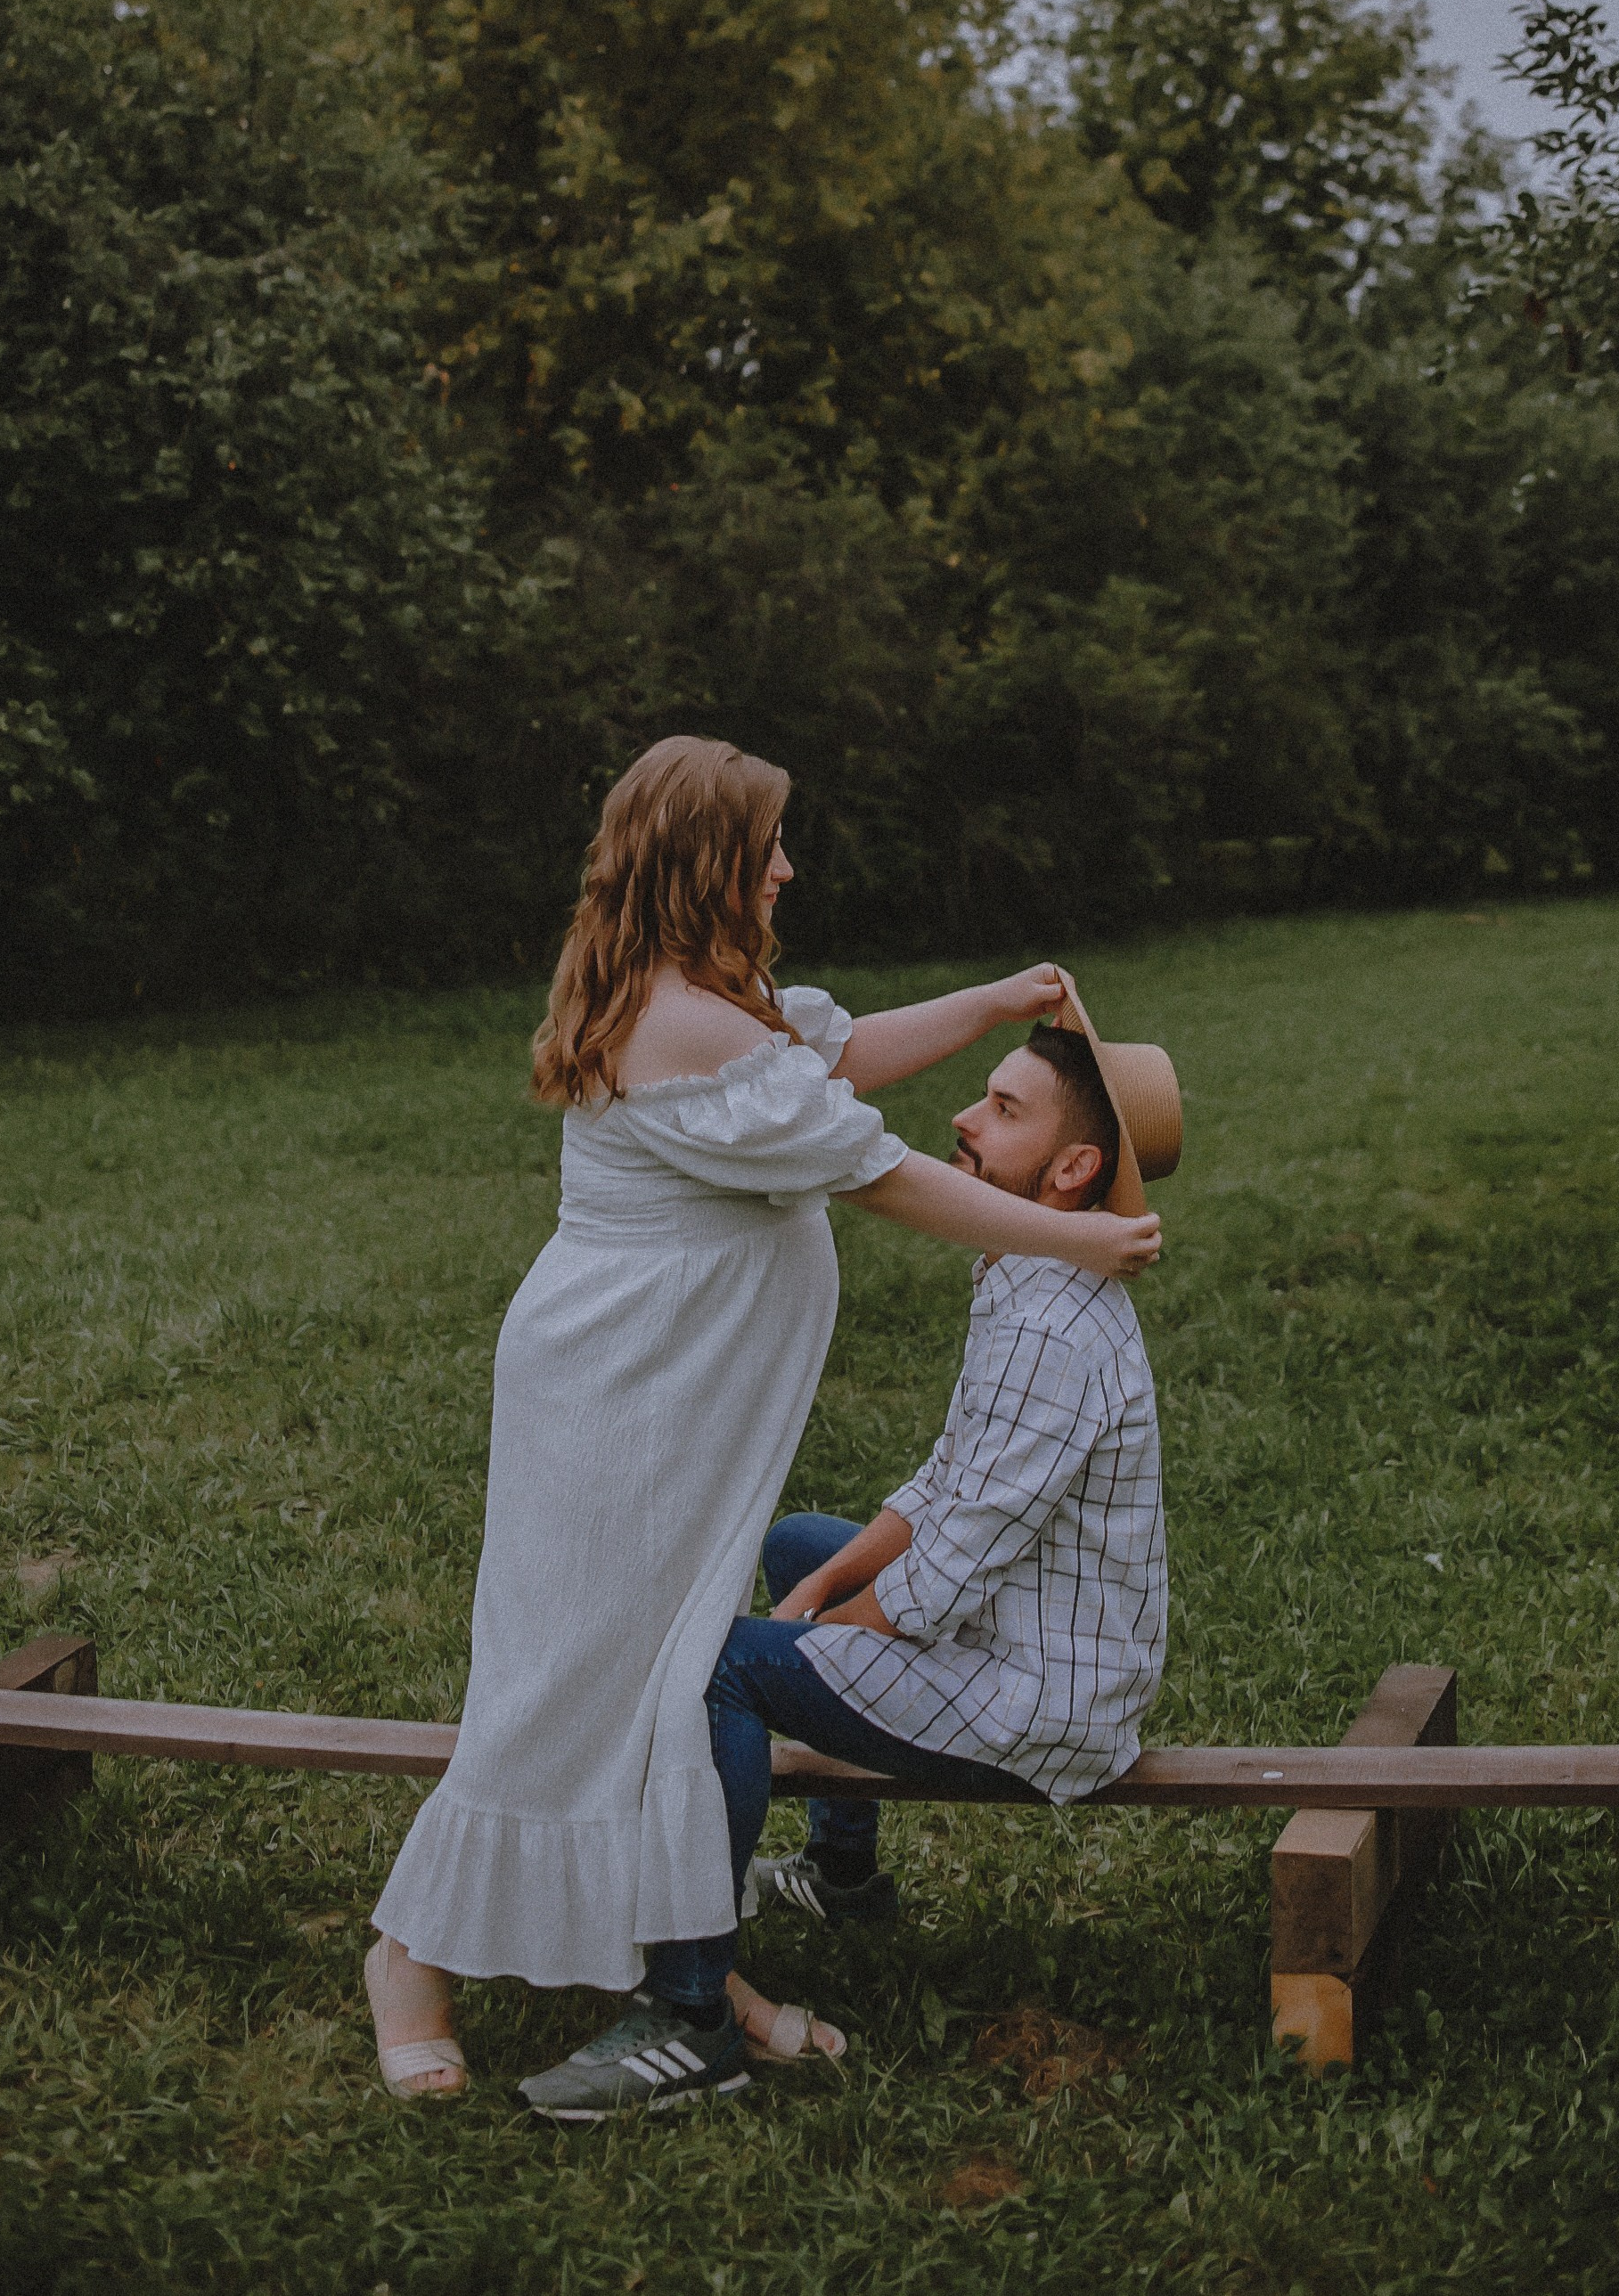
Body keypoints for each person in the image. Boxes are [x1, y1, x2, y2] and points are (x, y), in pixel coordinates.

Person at [364, 737, 1160, 2104]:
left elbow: (833, 1058)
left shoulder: (709, 999)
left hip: (677, 1400)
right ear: (704, 864)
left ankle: (682, 1965)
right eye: (768, 847)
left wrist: (994, 1001)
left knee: (659, 1682)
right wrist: (1070, 1238)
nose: (788, 867)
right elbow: (882, 1171)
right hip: (622, 1394)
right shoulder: (679, 1020)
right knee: (568, 1674)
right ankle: (408, 1956)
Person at [519, 975, 1176, 2122]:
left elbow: (953, 1562)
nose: (966, 1121)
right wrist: (820, 1585)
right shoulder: (1030, 1273)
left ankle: (689, 2022)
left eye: (1005, 1112)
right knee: (795, 1544)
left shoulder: (1053, 1325)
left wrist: (810, 1635)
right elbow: (946, 1481)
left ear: (1072, 1173)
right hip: (1011, 1627)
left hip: (1045, 1698)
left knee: (720, 1667)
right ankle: (845, 1879)